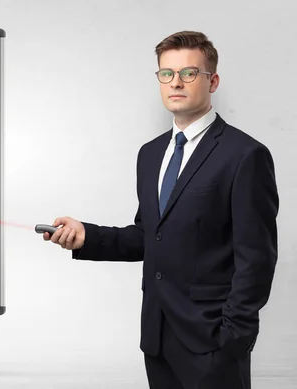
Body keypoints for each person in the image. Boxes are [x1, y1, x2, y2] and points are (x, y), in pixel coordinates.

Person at [43, 31, 279, 389]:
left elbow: (257, 257)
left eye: (189, 73)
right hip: (157, 335)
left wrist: (233, 337)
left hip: (213, 341)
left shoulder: (245, 155)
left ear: (212, 81)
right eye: (166, 74)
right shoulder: (150, 154)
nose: (176, 82)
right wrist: (86, 237)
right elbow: (150, 235)